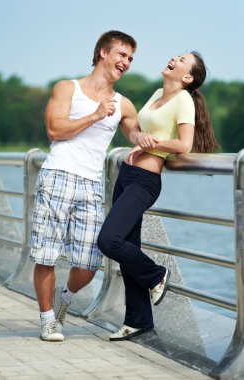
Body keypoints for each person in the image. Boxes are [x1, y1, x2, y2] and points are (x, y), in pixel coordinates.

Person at [97, 51, 218, 341]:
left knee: (108, 240)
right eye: (175, 55)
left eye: (181, 59)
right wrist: (138, 139)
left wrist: (152, 145)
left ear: (187, 77)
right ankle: (137, 320)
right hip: (126, 176)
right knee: (127, 247)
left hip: (145, 180)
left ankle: (156, 275)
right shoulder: (154, 94)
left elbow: (184, 144)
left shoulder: (183, 100)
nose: (173, 58)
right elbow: (140, 130)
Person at [30, 30, 138, 341]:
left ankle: (64, 297)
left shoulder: (123, 104)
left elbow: (138, 136)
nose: (126, 62)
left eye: (130, 58)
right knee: (46, 255)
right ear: (104, 53)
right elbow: (54, 129)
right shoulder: (68, 88)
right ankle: (48, 320)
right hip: (58, 176)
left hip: (92, 185)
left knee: (88, 265)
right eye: (122, 54)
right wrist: (94, 115)